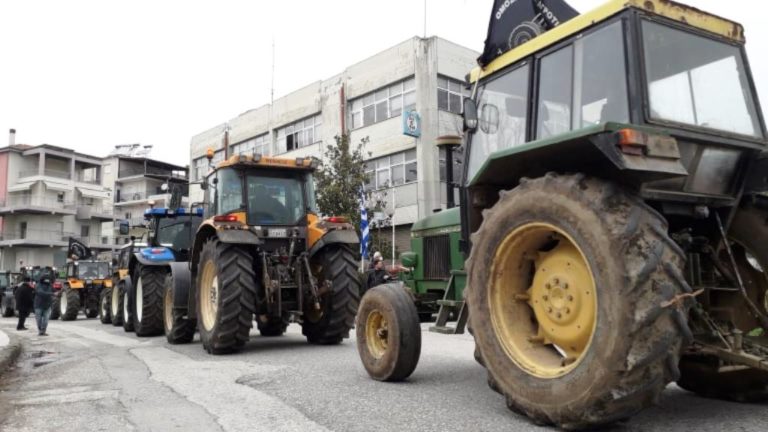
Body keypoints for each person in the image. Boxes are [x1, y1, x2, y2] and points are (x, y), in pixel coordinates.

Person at [34, 271, 54, 336]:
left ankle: (43, 331)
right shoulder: (38, 285)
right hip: (39, 305)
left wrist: (60, 292)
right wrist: (52, 294)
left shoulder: (50, 285)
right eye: (46, 279)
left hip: (47, 305)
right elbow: (41, 293)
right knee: (39, 320)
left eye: (48, 279)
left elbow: (55, 290)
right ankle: (40, 330)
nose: (47, 281)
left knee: (46, 320)